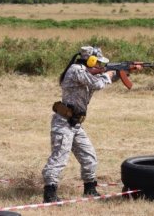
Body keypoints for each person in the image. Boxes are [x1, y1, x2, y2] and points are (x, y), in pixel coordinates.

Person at [41, 46, 116, 203]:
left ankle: (90, 189)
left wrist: (122, 73)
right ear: (91, 61)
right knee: (59, 157)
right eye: (98, 63)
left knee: (89, 156)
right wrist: (108, 76)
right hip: (64, 123)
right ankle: (50, 193)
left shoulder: (85, 73)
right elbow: (98, 84)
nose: (100, 67)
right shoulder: (76, 70)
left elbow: (97, 81)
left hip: (75, 124)